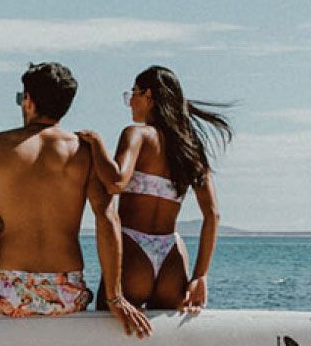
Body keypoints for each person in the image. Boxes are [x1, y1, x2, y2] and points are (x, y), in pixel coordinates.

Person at [0, 63, 151, 337]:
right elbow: (107, 220)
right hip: (67, 292)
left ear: (29, 100)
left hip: (9, 291)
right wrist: (115, 297)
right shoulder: (83, 151)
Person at [77, 65, 229, 314]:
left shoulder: (137, 135)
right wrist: (200, 276)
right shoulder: (190, 149)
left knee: (109, 341)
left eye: (133, 93)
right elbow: (213, 215)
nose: (130, 102)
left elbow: (116, 182)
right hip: (171, 257)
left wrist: (96, 144)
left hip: (132, 249)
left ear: (148, 96)